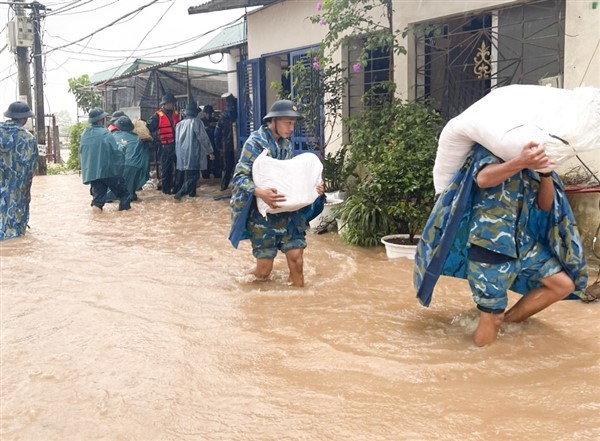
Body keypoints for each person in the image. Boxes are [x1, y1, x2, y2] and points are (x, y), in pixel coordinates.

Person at [414, 143, 588, 346]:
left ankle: (506, 322)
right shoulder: (490, 150)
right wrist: (520, 161)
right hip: (489, 247)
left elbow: (545, 205)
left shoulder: (535, 162)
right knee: (491, 318)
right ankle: (479, 364)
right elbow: (483, 179)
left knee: (563, 285)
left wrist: (546, 173)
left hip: (524, 246)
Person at [229, 100, 324, 287]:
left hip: (288, 214)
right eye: (288, 122)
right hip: (263, 216)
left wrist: (314, 188)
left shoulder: (286, 145)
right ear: (273, 121)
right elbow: (239, 178)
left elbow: (290, 178)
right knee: (264, 272)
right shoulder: (255, 143)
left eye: (293, 123)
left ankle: (298, 306)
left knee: (297, 261)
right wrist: (259, 192)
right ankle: (239, 283)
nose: (291, 127)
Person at [79, 108, 131, 211]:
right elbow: (116, 152)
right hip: (109, 172)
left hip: (94, 173)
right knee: (124, 196)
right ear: (100, 120)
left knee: (97, 201)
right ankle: (124, 221)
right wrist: (123, 146)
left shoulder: (84, 134)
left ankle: (96, 221)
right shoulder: (106, 134)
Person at [0, 101, 38, 241]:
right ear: (22, 118)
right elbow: (31, 166)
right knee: (16, 223)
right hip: (18, 187)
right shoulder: (28, 138)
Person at [174, 102, 214, 200]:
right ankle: (180, 193)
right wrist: (210, 151)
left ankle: (192, 195)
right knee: (195, 176)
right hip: (193, 152)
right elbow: (203, 138)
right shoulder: (196, 122)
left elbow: (177, 140)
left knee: (188, 175)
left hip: (182, 153)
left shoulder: (179, 124)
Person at [146, 93, 181, 194]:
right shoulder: (157, 116)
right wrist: (155, 137)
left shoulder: (175, 114)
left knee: (178, 168)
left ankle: (176, 188)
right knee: (166, 169)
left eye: (172, 103)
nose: (172, 105)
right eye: (170, 103)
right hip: (164, 146)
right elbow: (148, 127)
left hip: (175, 145)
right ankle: (166, 191)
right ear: (165, 104)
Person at [111, 115, 149, 202]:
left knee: (116, 193)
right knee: (129, 193)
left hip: (117, 166)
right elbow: (143, 155)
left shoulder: (112, 136)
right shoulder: (137, 138)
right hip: (133, 166)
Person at [214, 93, 237, 191]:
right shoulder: (238, 112)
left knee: (226, 167)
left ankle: (224, 186)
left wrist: (218, 145)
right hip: (239, 145)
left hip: (226, 146)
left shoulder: (223, 116)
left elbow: (217, 133)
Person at [200, 104, 220, 179]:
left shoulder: (216, 120)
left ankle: (216, 175)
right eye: (207, 113)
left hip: (214, 143)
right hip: (205, 145)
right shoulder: (201, 121)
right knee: (205, 166)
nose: (209, 115)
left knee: (216, 164)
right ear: (204, 113)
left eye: (210, 113)